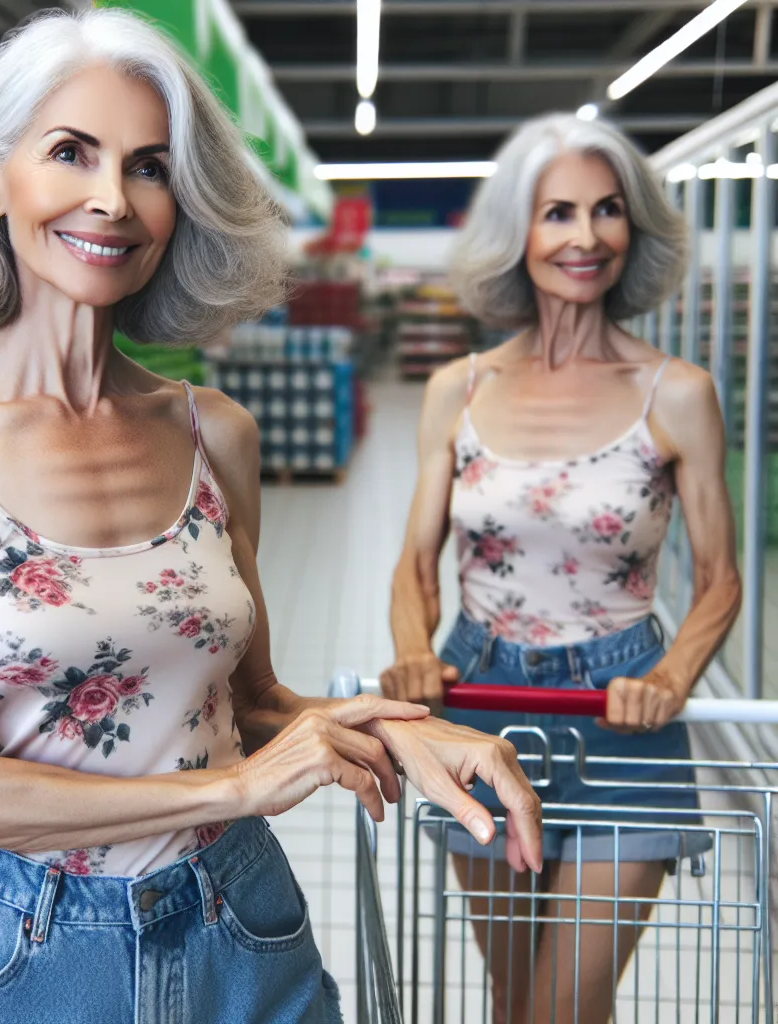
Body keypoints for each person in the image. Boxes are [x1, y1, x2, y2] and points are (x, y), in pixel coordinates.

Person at [0, 9, 543, 1023]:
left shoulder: (216, 432)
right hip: (23, 954)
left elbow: (249, 703)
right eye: (70, 152)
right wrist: (235, 790)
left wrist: (406, 730)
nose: (109, 199)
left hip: (238, 930)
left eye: (150, 167)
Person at [383, 113, 740, 1024]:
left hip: (621, 708)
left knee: (562, 1010)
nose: (585, 237)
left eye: (607, 211)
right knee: (514, 1002)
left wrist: (670, 677)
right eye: (557, 214)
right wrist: (414, 655)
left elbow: (720, 580)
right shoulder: (457, 391)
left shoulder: (679, 394)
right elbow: (418, 565)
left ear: (635, 227)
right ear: (518, 233)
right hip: (481, 703)